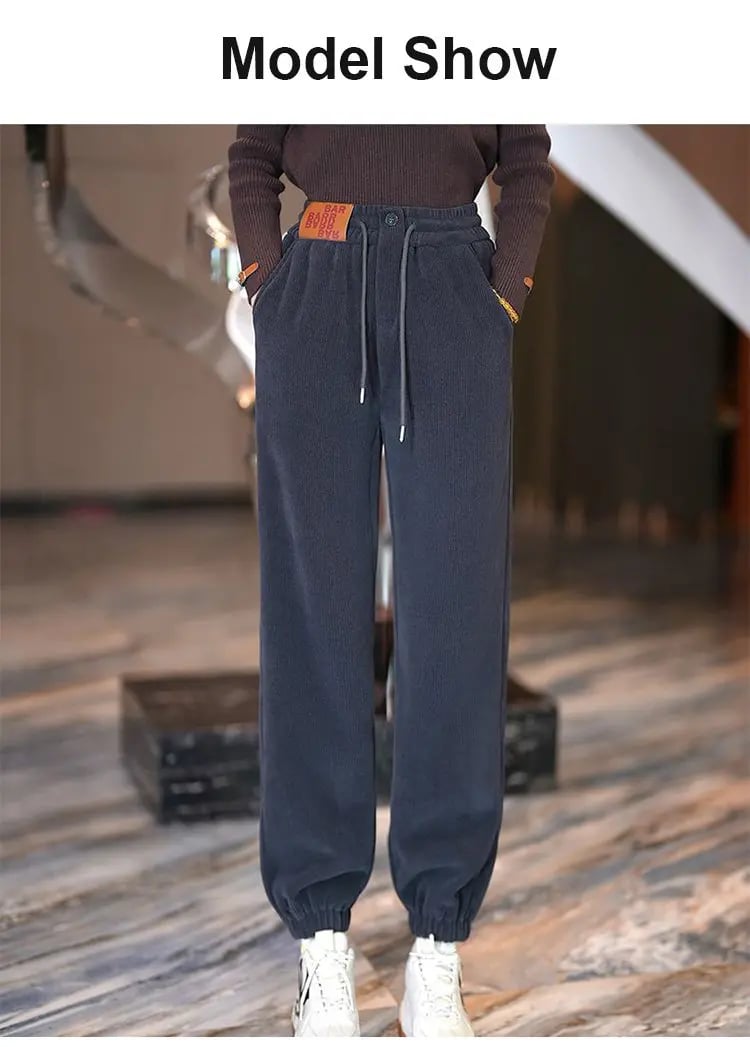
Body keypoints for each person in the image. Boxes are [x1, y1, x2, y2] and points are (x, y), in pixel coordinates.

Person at [228, 126, 553, 1037]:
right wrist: (267, 280)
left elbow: (527, 159)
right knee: (311, 617)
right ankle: (320, 939)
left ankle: (437, 944)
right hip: (316, 283)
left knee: (456, 618)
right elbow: (252, 157)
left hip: (453, 288)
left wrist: (503, 294)